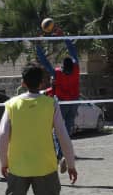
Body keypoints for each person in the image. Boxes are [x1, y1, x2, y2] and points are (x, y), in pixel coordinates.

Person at [0, 64, 78, 195]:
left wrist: (4, 162)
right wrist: (70, 164)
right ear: (42, 82)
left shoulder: (11, 104)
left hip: (18, 167)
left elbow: (2, 135)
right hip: (46, 167)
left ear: (23, 83)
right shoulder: (51, 104)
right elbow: (63, 135)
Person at [34, 27, 80, 172]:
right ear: (72, 65)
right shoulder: (77, 69)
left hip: (61, 103)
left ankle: (61, 155)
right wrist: (64, 36)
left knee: (57, 131)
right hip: (74, 102)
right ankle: (64, 155)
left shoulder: (57, 73)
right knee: (67, 130)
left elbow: (43, 61)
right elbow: (73, 51)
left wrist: (38, 45)